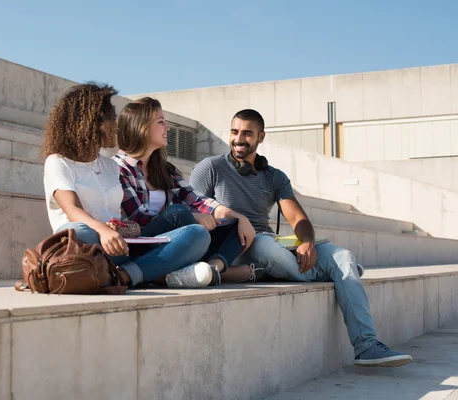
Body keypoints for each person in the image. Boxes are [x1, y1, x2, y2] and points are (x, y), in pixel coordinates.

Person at [189, 108, 413, 368]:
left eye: (247, 133)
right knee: (267, 246)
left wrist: (306, 241)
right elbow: (192, 208)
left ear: (261, 137)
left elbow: (299, 219)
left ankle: (367, 345)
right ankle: (333, 274)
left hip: (271, 245)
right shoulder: (210, 168)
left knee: (342, 256)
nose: (239, 139)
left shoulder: (274, 176)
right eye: (235, 131)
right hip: (236, 246)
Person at [41, 83, 214, 289]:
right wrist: (103, 231)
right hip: (85, 245)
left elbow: (118, 215)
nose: (116, 124)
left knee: (197, 234)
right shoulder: (58, 161)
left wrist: (124, 230)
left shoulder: (109, 165)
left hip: (118, 246)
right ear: (92, 123)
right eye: (111, 118)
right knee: (79, 231)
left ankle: (122, 276)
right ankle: (152, 273)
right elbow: (72, 209)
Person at [113, 97, 262, 285]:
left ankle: (213, 268)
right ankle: (203, 271)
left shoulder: (165, 169)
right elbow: (137, 219)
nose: (167, 127)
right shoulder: (119, 168)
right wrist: (194, 217)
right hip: (141, 244)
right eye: (161, 122)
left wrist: (239, 217)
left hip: (174, 242)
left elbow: (198, 201)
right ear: (141, 127)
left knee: (234, 225)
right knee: (179, 213)